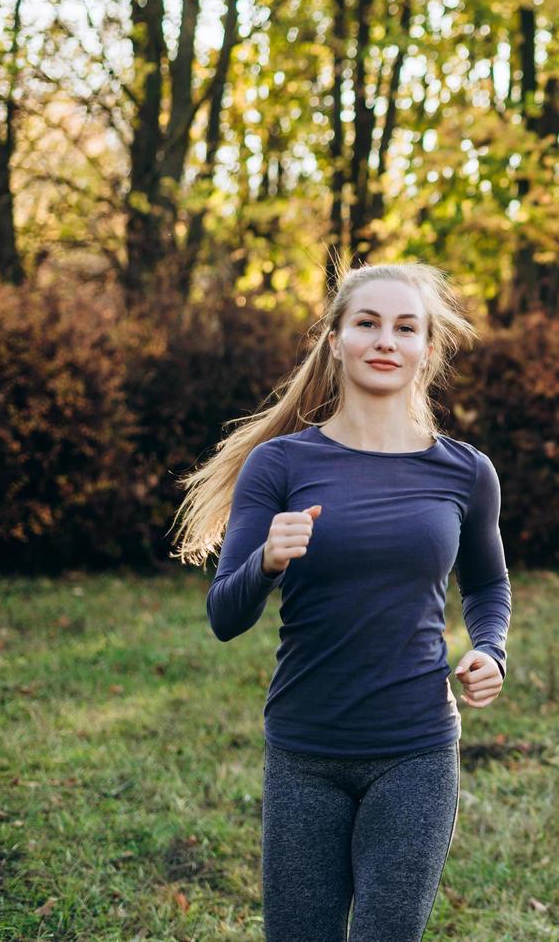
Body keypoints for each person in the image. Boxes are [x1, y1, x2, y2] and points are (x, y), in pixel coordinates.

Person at [173, 262, 511, 941]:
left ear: (426, 349)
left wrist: (490, 649)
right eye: (367, 323)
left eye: (405, 328)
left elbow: (487, 584)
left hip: (416, 749)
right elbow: (223, 616)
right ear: (335, 339)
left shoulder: (464, 470)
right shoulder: (282, 466)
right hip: (305, 751)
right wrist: (266, 561)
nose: (386, 340)